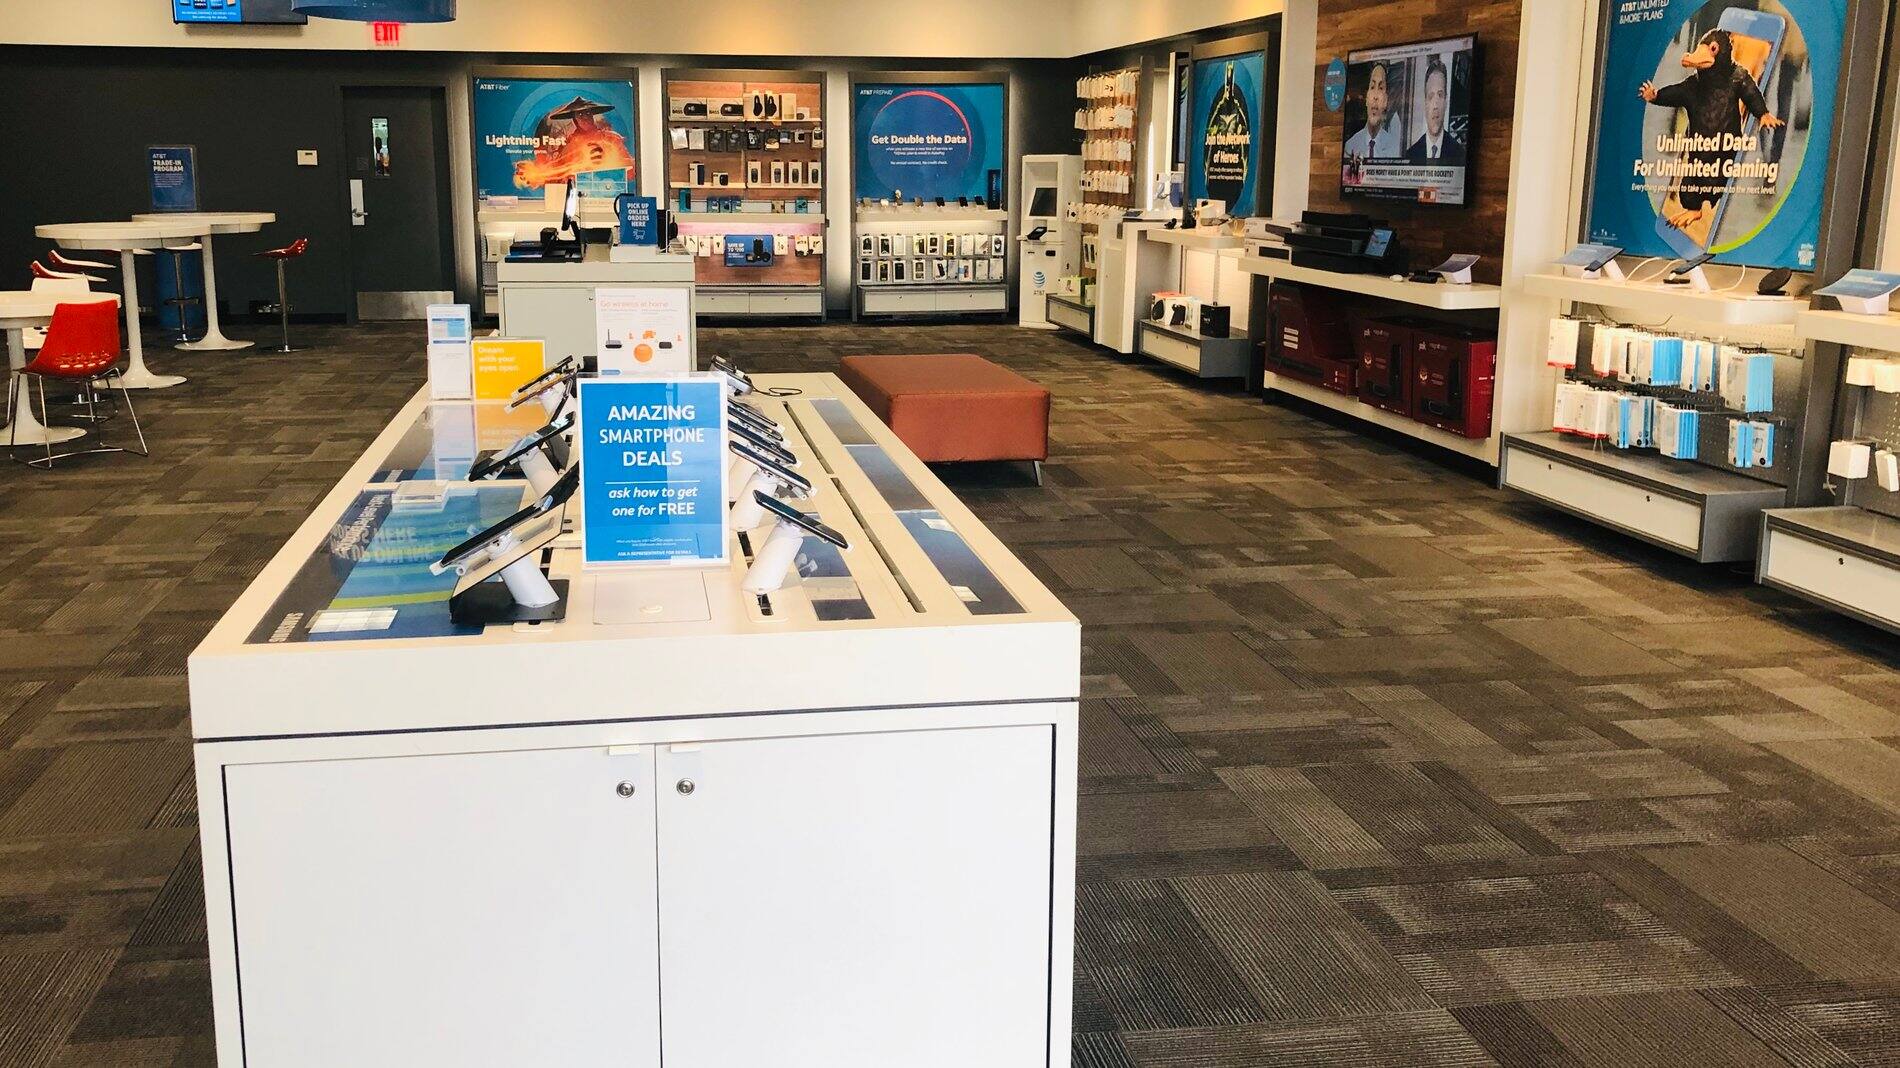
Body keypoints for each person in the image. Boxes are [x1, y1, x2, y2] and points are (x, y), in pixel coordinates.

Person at [1405, 57, 1464, 164]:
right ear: (1425, 103)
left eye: (1440, 95)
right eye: (1430, 96)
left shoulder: (1459, 154)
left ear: (1446, 101)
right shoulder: (1410, 155)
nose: (1435, 105)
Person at [1344, 61, 1402, 159]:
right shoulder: (1350, 147)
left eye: (1381, 88)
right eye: (1372, 87)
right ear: (1366, 98)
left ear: (1386, 101)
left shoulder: (1395, 149)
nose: (1375, 96)